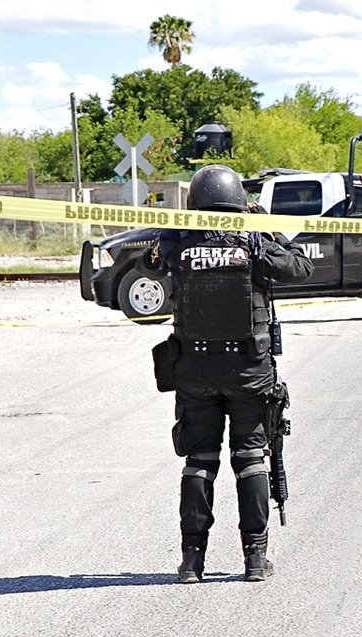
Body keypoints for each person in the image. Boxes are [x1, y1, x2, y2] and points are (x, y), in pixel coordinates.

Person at [139, 164, 313, 583]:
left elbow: (147, 263)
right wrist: (263, 229)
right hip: (249, 369)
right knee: (251, 459)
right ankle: (255, 560)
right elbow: (301, 268)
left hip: (195, 368)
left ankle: (191, 562)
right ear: (238, 199)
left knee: (199, 462)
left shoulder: (177, 240)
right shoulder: (254, 238)